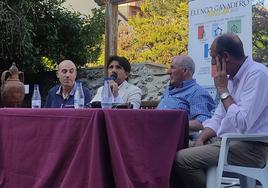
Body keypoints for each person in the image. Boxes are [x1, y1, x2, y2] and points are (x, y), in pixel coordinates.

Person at [175, 33, 268, 188]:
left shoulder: (257, 75)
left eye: (213, 57)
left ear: (225, 57)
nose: (211, 62)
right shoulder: (231, 78)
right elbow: (218, 118)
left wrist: (223, 90)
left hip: (249, 149)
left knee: (182, 159)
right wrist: (201, 139)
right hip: (225, 143)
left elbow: (242, 123)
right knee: (171, 149)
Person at [157, 55, 215, 133]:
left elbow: (203, 123)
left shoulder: (197, 92)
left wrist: (173, 124)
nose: (168, 72)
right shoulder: (168, 90)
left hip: (179, 140)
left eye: (173, 67)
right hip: (157, 135)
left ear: (184, 71)